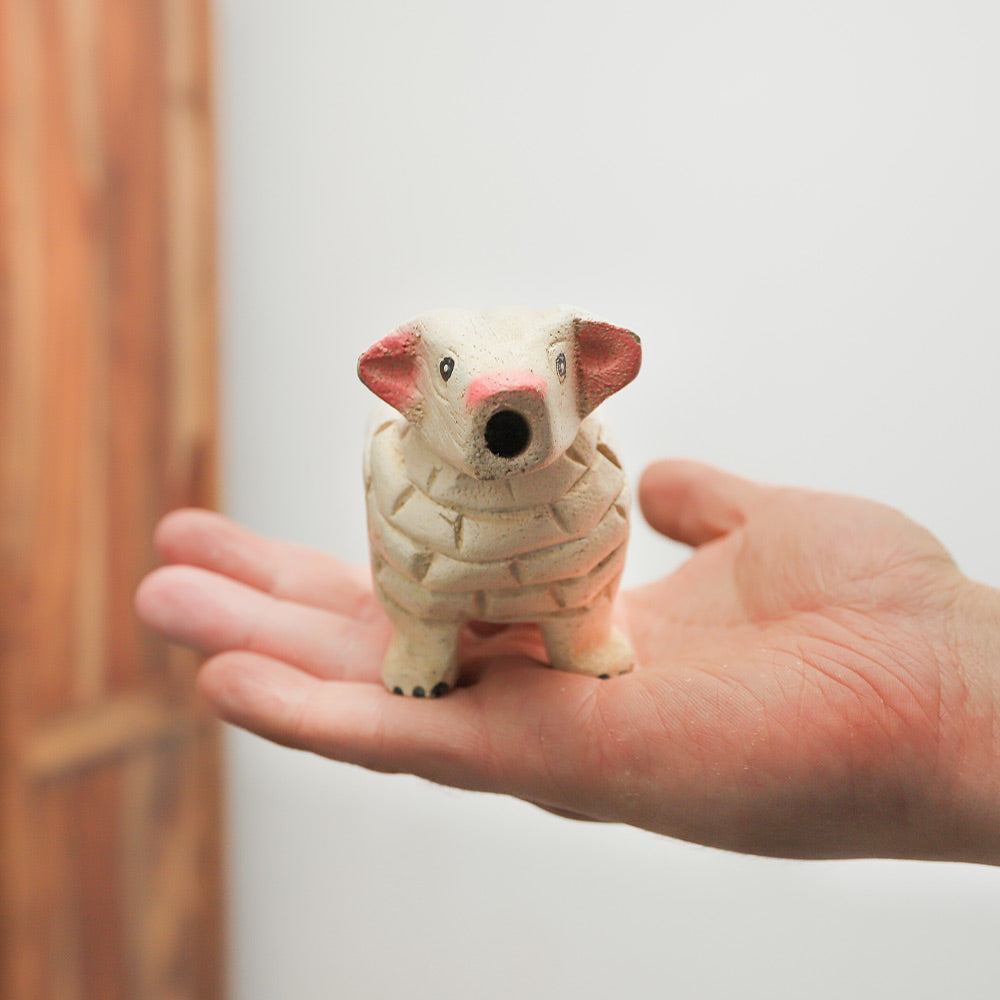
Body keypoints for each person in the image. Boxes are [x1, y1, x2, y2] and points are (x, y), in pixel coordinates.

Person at [135, 460, 1000, 865]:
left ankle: (574, 633)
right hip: (428, 571)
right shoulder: (397, 464)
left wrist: (950, 697)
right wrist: (948, 695)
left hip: (570, 580)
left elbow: (598, 552)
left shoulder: (592, 472)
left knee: (578, 595)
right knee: (423, 593)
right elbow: (403, 555)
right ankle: (428, 639)